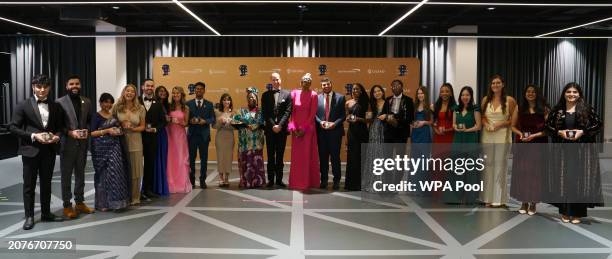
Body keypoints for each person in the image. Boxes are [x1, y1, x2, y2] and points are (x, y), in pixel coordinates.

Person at [9, 74, 64, 230]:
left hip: (49, 151)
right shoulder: (22, 105)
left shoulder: (55, 106)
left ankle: (46, 213)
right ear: (33, 87)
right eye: (38, 87)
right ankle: (30, 216)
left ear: (49, 88)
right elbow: (13, 127)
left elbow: (60, 128)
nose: (42, 90)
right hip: (30, 151)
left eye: (45, 87)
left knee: (46, 184)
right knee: (29, 186)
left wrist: (56, 137)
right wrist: (33, 135)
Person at [545, 82, 603, 224]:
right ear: (564, 94)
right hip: (562, 153)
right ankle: (565, 212)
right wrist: (559, 132)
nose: (571, 94)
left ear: (579, 94)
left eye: (574, 92)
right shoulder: (557, 110)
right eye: (569, 92)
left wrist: (582, 132)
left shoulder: (587, 109)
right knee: (564, 181)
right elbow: (547, 127)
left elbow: (598, 125)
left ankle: (577, 213)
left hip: (583, 153)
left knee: (580, 182)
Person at [56, 75, 95, 219]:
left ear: (80, 85)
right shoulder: (59, 102)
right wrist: (70, 132)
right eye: (71, 84)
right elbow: (58, 125)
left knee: (81, 175)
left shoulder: (87, 101)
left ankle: (79, 202)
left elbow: (90, 120)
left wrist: (88, 130)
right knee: (66, 176)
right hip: (67, 145)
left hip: (83, 145)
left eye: (77, 84)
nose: (74, 86)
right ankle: (67, 205)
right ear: (67, 86)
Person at [510, 85, 549, 215]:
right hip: (523, 144)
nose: (530, 93)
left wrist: (534, 135)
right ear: (525, 94)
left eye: (533, 92)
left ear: (537, 94)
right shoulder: (519, 108)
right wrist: (520, 134)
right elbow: (513, 127)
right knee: (522, 173)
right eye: (528, 91)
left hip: (538, 144)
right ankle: (524, 202)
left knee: (535, 174)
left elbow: (548, 130)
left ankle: (533, 203)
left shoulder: (544, 109)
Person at [480, 75, 516, 208]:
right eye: (493, 83)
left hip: (503, 136)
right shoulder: (485, 99)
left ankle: (498, 199)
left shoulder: (510, 100)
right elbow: (482, 117)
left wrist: (500, 124)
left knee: (500, 167)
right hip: (487, 136)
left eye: (498, 83)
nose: (495, 85)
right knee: (488, 166)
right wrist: (486, 124)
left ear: (503, 84)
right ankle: (487, 198)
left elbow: (513, 120)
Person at [90, 93, 130, 212]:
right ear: (100, 103)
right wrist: (107, 130)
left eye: (110, 102)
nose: (108, 104)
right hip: (100, 150)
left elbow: (119, 130)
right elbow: (92, 133)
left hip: (114, 148)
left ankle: (116, 203)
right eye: (105, 102)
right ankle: (102, 204)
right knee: (102, 176)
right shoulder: (96, 116)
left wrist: (119, 131)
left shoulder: (113, 116)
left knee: (115, 174)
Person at [443, 86, 481, 204]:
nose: (465, 97)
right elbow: (454, 124)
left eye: (467, 95)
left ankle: (470, 198)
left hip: (470, 140)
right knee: (456, 168)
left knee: (470, 169)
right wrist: (456, 128)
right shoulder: (456, 108)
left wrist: (466, 130)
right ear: (460, 96)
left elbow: (478, 126)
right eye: (463, 95)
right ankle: (454, 197)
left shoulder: (475, 109)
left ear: (471, 96)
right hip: (458, 140)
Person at [113, 84, 146, 206]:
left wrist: (133, 128)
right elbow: (111, 123)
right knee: (122, 170)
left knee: (136, 171)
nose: (130, 93)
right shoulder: (116, 107)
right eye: (128, 90)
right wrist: (121, 126)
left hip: (136, 142)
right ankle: (123, 196)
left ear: (135, 94)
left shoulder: (140, 108)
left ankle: (135, 197)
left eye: (132, 91)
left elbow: (143, 126)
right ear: (124, 92)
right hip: (120, 142)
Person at [289, 73, 320, 191]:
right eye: (304, 80)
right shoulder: (294, 93)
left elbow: (312, 115)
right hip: (295, 130)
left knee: (307, 156)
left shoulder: (314, 95)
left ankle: (307, 182)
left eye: (308, 80)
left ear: (311, 83)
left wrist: (303, 129)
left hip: (307, 130)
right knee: (296, 158)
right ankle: (295, 182)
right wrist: (293, 128)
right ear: (300, 82)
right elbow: (291, 113)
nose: (306, 82)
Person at [261, 72, 292, 188]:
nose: (276, 81)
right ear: (271, 81)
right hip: (270, 130)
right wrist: (273, 125)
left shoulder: (287, 94)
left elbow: (288, 112)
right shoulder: (265, 95)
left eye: (277, 79)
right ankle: (270, 180)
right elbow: (265, 113)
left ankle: (279, 179)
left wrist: (280, 125)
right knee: (270, 156)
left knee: (280, 156)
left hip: (282, 131)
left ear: (281, 80)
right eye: (273, 80)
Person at [139, 79, 167, 200]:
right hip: (137, 138)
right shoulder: (135, 101)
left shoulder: (158, 103)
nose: (149, 88)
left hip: (152, 139)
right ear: (142, 87)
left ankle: (147, 189)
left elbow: (163, 121)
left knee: (150, 165)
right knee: (135, 165)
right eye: (147, 86)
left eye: (152, 86)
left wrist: (155, 129)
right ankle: (135, 190)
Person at [315, 77, 345, 190]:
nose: (326, 86)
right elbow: (314, 115)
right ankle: (324, 180)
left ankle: (336, 180)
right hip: (322, 133)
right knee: (323, 158)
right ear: (321, 86)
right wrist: (320, 121)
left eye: (328, 84)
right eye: (324, 85)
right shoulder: (317, 98)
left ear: (331, 84)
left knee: (335, 158)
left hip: (335, 132)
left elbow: (343, 115)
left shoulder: (341, 98)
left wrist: (334, 124)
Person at [186, 82, 215, 189]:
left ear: (204, 90)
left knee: (204, 159)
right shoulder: (188, 103)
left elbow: (213, 119)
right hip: (192, 135)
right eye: (197, 89)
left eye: (201, 89)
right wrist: (190, 121)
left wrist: (205, 121)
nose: (199, 90)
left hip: (204, 136)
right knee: (191, 160)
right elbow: (185, 119)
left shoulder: (209, 104)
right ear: (194, 90)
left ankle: (203, 180)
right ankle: (192, 180)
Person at [235, 87, 266, 188]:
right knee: (246, 162)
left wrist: (258, 125)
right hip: (245, 143)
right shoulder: (242, 111)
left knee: (257, 163)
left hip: (257, 143)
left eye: (253, 97)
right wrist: (245, 125)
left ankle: (258, 182)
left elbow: (265, 124)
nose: (251, 99)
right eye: (249, 98)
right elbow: (235, 122)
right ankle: (246, 181)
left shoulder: (261, 111)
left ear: (256, 99)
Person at [166, 87, 193, 193]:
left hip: (180, 136)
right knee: (171, 159)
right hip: (170, 134)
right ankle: (171, 183)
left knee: (181, 159)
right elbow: (165, 120)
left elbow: (186, 123)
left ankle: (182, 184)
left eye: (177, 93)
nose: (175, 95)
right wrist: (169, 120)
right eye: (173, 93)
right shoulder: (169, 107)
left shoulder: (185, 108)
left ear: (181, 94)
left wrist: (179, 122)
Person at [344, 83, 369, 191]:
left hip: (363, 132)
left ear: (361, 91)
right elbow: (346, 117)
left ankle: (361, 184)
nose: (355, 91)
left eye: (357, 89)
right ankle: (351, 184)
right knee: (352, 158)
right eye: (353, 89)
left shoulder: (366, 103)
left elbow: (369, 120)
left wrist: (357, 119)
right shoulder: (347, 103)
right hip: (352, 133)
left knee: (361, 157)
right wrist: (348, 118)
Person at [362, 85, 386, 193]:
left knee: (382, 155)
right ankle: (371, 182)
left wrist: (386, 116)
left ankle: (382, 183)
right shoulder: (371, 104)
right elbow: (367, 120)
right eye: (375, 92)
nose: (377, 93)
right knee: (373, 155)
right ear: (372, 94)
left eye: (379, 91)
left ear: (382, 92)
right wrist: (368, 117)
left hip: (384, 131)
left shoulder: (388, 103)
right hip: (373, 131)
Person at [410, 86, 433, 195]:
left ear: (425, 94)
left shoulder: (430, 106)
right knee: (415, 161)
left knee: (423, 161)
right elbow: (411, 121)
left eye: (422, 93)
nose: (420, 95)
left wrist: (424, 122)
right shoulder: (414, 106)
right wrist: (413, 124)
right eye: (418, 93)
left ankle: (424, 189)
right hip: (415, 134)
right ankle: (414, 187)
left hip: (424, 133)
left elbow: (432, 121)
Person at [379, 79, 414, 144]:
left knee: (400, 153)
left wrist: (391, 116)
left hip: (402, 132)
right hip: (388, 133)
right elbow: (383, 113)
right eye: (393, 86)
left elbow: (409, 118)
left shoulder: (408, 100)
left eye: (397, 85)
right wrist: (386, 119)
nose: (395, 87)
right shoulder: (388, 99)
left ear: (402, 87)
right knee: (387, 154)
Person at [214, 93, 236, 188]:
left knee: (228, 157)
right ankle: (220, 177)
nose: (226, 102)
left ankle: (227, 178)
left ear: (230, 102)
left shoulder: (234, 113)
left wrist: (230, 123)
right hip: (220, 137)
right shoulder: (217, 112)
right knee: (220, 157)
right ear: (221, 101)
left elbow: (236, 127)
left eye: (228, 100)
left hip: (229, 137)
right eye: (224, 100)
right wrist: (221, 122)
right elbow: (214, 126)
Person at [153, 86, 170, 196]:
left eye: (164, 91)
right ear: (157, 93)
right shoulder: (153, 103)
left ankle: (162, 184)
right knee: (155, 159)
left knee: (163, 158)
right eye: (160, 91)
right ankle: (155, 186)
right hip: (154, 133)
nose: (162, 93)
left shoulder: (168, 105)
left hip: (164, 133)